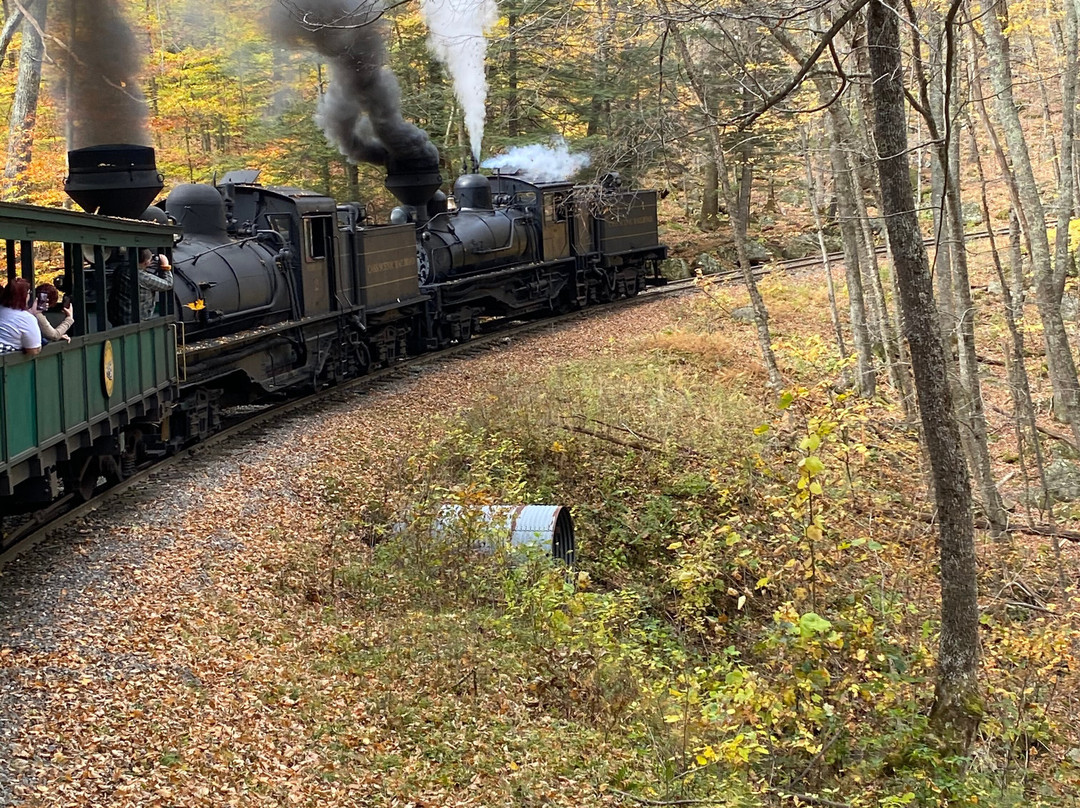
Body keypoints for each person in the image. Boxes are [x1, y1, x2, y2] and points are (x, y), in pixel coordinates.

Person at [108, 248, 173, 325]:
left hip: (118, 318)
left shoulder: (120, 270)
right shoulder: (143, 278)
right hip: (136, 321)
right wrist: (165, 266)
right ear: (146, 262)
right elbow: (168, 284)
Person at [0, 277, 42, 356]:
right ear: (25, 296)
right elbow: (34, 350)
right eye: (29, 293)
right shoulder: (27, 318)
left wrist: (31, 312)